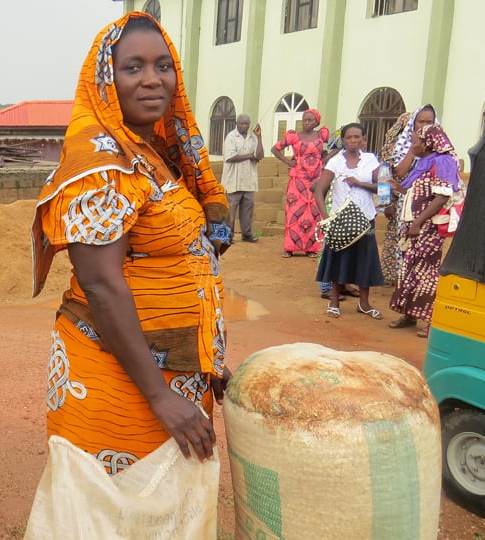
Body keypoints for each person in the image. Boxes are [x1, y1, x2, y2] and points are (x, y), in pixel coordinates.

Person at [30, 12, 233, 475]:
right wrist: (160, 396)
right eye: (133, 67)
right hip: (119, 381)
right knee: (113, 512)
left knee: (159, 513)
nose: (151, 80)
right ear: (104, 81)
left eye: (163, 66)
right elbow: (101, 287)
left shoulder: (154, 157)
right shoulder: (101, 165)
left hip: (169, 375)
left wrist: (207, 360)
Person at [389, 124, 461, 337]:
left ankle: (430, 321)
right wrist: (397, 187)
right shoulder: (424, 163)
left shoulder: (444, 162)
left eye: (416, 142)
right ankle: (409, 314)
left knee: (427, 273)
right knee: (409, 269)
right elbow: (414, 190)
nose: (413, 146)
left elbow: (441, 196)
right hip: (414, 226)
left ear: (428, 142)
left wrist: (419, 222)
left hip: (428, 227)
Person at [312, 123, 384, 319]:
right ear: (343, 140)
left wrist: (361, 183)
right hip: (341, 219)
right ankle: (334, 302)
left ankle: (364, 303)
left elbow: (382, 186)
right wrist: (326, 218)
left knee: (364, 261)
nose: (353, 140)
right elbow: (319, 190)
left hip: (365, 218)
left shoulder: (370, 160)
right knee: (338, 260)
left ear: (363, 139)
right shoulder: (335, 162)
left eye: (357, 137)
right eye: (349, 137)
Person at [379, 104, 439, 285]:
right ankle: (404, 284)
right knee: (405, 245)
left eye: (429, 122)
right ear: (412, 124)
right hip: (405, 205)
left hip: (432, 206)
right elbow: (395, 175)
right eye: (421, 121)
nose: (425, 125)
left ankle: (421, 288)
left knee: (426, 249)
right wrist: (414, 150)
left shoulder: (441, 149)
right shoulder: (400, 146)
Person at [271, 109, 329, 258]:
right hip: (297, 181)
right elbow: (275, 149)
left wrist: (324, 160)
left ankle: (312, 248)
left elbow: (334, 148)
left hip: (316, 181)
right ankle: (289, 247)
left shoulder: (321, 136)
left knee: (315, 213)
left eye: (310, 120)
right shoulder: (294, 137)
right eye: (305, 120)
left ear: (317, 122)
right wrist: (288, 162)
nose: (307, 123)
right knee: (292, 214)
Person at [221, 114, 264, 243]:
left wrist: (259, 137)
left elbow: (260, 156)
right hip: (232, 180)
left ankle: (247, 234)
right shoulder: (231, 137)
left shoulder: (253, 138)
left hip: (249, 180)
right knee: (231, 210)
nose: (244, 126)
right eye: (242, 123)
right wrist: (250, 155)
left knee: (248, 209)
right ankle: (228, 236)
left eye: (246, 124)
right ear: (237, 123)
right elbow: (230, 157)